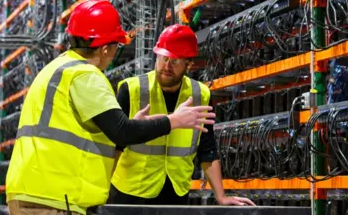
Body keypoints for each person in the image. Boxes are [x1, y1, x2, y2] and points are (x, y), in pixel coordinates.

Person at [5, 0, 216, 215]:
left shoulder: (58, 67)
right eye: (116, 46)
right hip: (54, 198)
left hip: (38, 191)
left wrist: (137, 124)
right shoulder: (85, 75)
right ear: (105, 49)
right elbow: (121, 133)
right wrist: (175, 120)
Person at [109, 24, 256, 206]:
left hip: (176, 192)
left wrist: (221, 196)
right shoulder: (131, 90)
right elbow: (114, 145)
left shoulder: (200, 94)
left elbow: (207, 148)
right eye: (163, 58)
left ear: (189, 64)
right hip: (130, 192)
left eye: (176, 61)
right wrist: (102, 190)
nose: (167, 66)